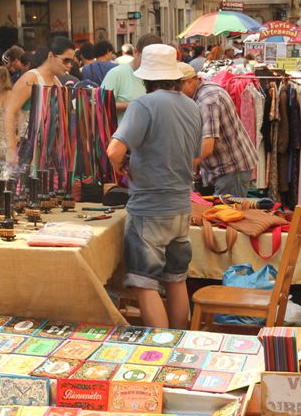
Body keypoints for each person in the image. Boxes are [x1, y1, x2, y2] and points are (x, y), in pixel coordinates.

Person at [106, 44, 201, 330]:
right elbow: (195, 157)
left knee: (144, 283)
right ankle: (179, 343)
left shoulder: (143, 105)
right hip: (180, 206)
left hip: (149, 208)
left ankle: (161, 349)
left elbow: (113, 151)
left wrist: (124, 166)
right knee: (176, 279)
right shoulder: (191, 106)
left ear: (146, 77)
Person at [179, 63, 256, 196]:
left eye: (178, 88)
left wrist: (185, 169)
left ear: (189, 82)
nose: (177, 93)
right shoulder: (205, 91)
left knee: (227, 212)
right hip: (229, 168)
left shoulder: (207, 100)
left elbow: (207, 145)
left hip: (231, 169)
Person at [3, 36, 76, 166]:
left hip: (49, 153)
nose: (69, 65)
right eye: (66, 60)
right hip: (28, 150)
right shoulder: (31, 78)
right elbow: (9, 112)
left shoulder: (56, 81)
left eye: (72, 61)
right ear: (51, 56)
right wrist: (11, 150)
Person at [102, 33, 162, 120]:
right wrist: (135, 105)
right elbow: (101, 105)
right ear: (135, 52)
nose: (150, 64)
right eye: (146, 59)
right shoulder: (116, 74)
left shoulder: (160, 75)